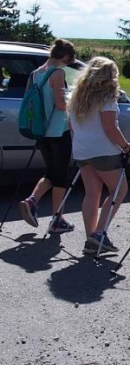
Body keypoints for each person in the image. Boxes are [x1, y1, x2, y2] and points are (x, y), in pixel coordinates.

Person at [67, 57, 130, 254]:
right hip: (103, 150)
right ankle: (99, 233)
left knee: (92, 193)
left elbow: (71, 125)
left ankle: (91, 238)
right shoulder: (107, 98)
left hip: (81, 149)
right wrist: (125, 146)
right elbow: (110, 128)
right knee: (119, 190)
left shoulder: (77, 96)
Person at [18, 39, 77, 233]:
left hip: (41, 130)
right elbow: (61, 105)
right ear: (66, 57)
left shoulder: (35, 73)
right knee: (60, 176)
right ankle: (57, 219)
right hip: (59, 130)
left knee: (51, 172)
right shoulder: (58, 72)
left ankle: (32, 201)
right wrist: (76, 105)